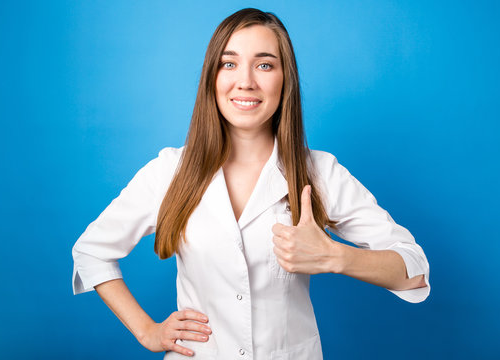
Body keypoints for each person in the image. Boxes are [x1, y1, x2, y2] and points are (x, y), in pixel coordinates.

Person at [72, 8, 430, 359]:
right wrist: (148, 331)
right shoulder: (170, 171)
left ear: (284, 78)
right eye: (229, 63)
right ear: (211, 76)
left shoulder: (319, 172)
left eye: (264, 64)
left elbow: (413, 270)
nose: (245, 81)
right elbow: (92, 252)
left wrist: (335, 256)